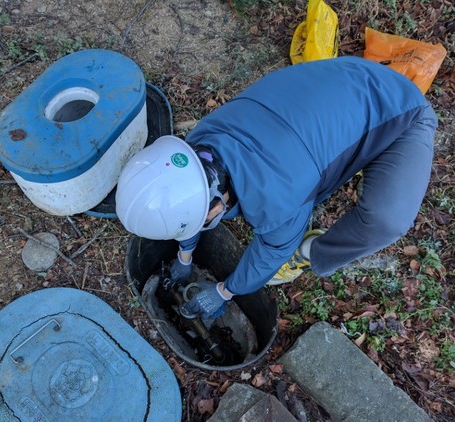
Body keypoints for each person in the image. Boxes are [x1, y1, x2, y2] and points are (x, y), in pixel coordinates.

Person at [116, 56, 438, 320]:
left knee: (387, 220)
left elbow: (268, 255)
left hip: (403, 115)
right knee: (324, 154)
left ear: (215, 207)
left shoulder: (278, 198)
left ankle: (310, 252)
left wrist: (224, 292)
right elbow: (190, 198)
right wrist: (185, 256)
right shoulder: (199, 142)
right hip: (347, 76)